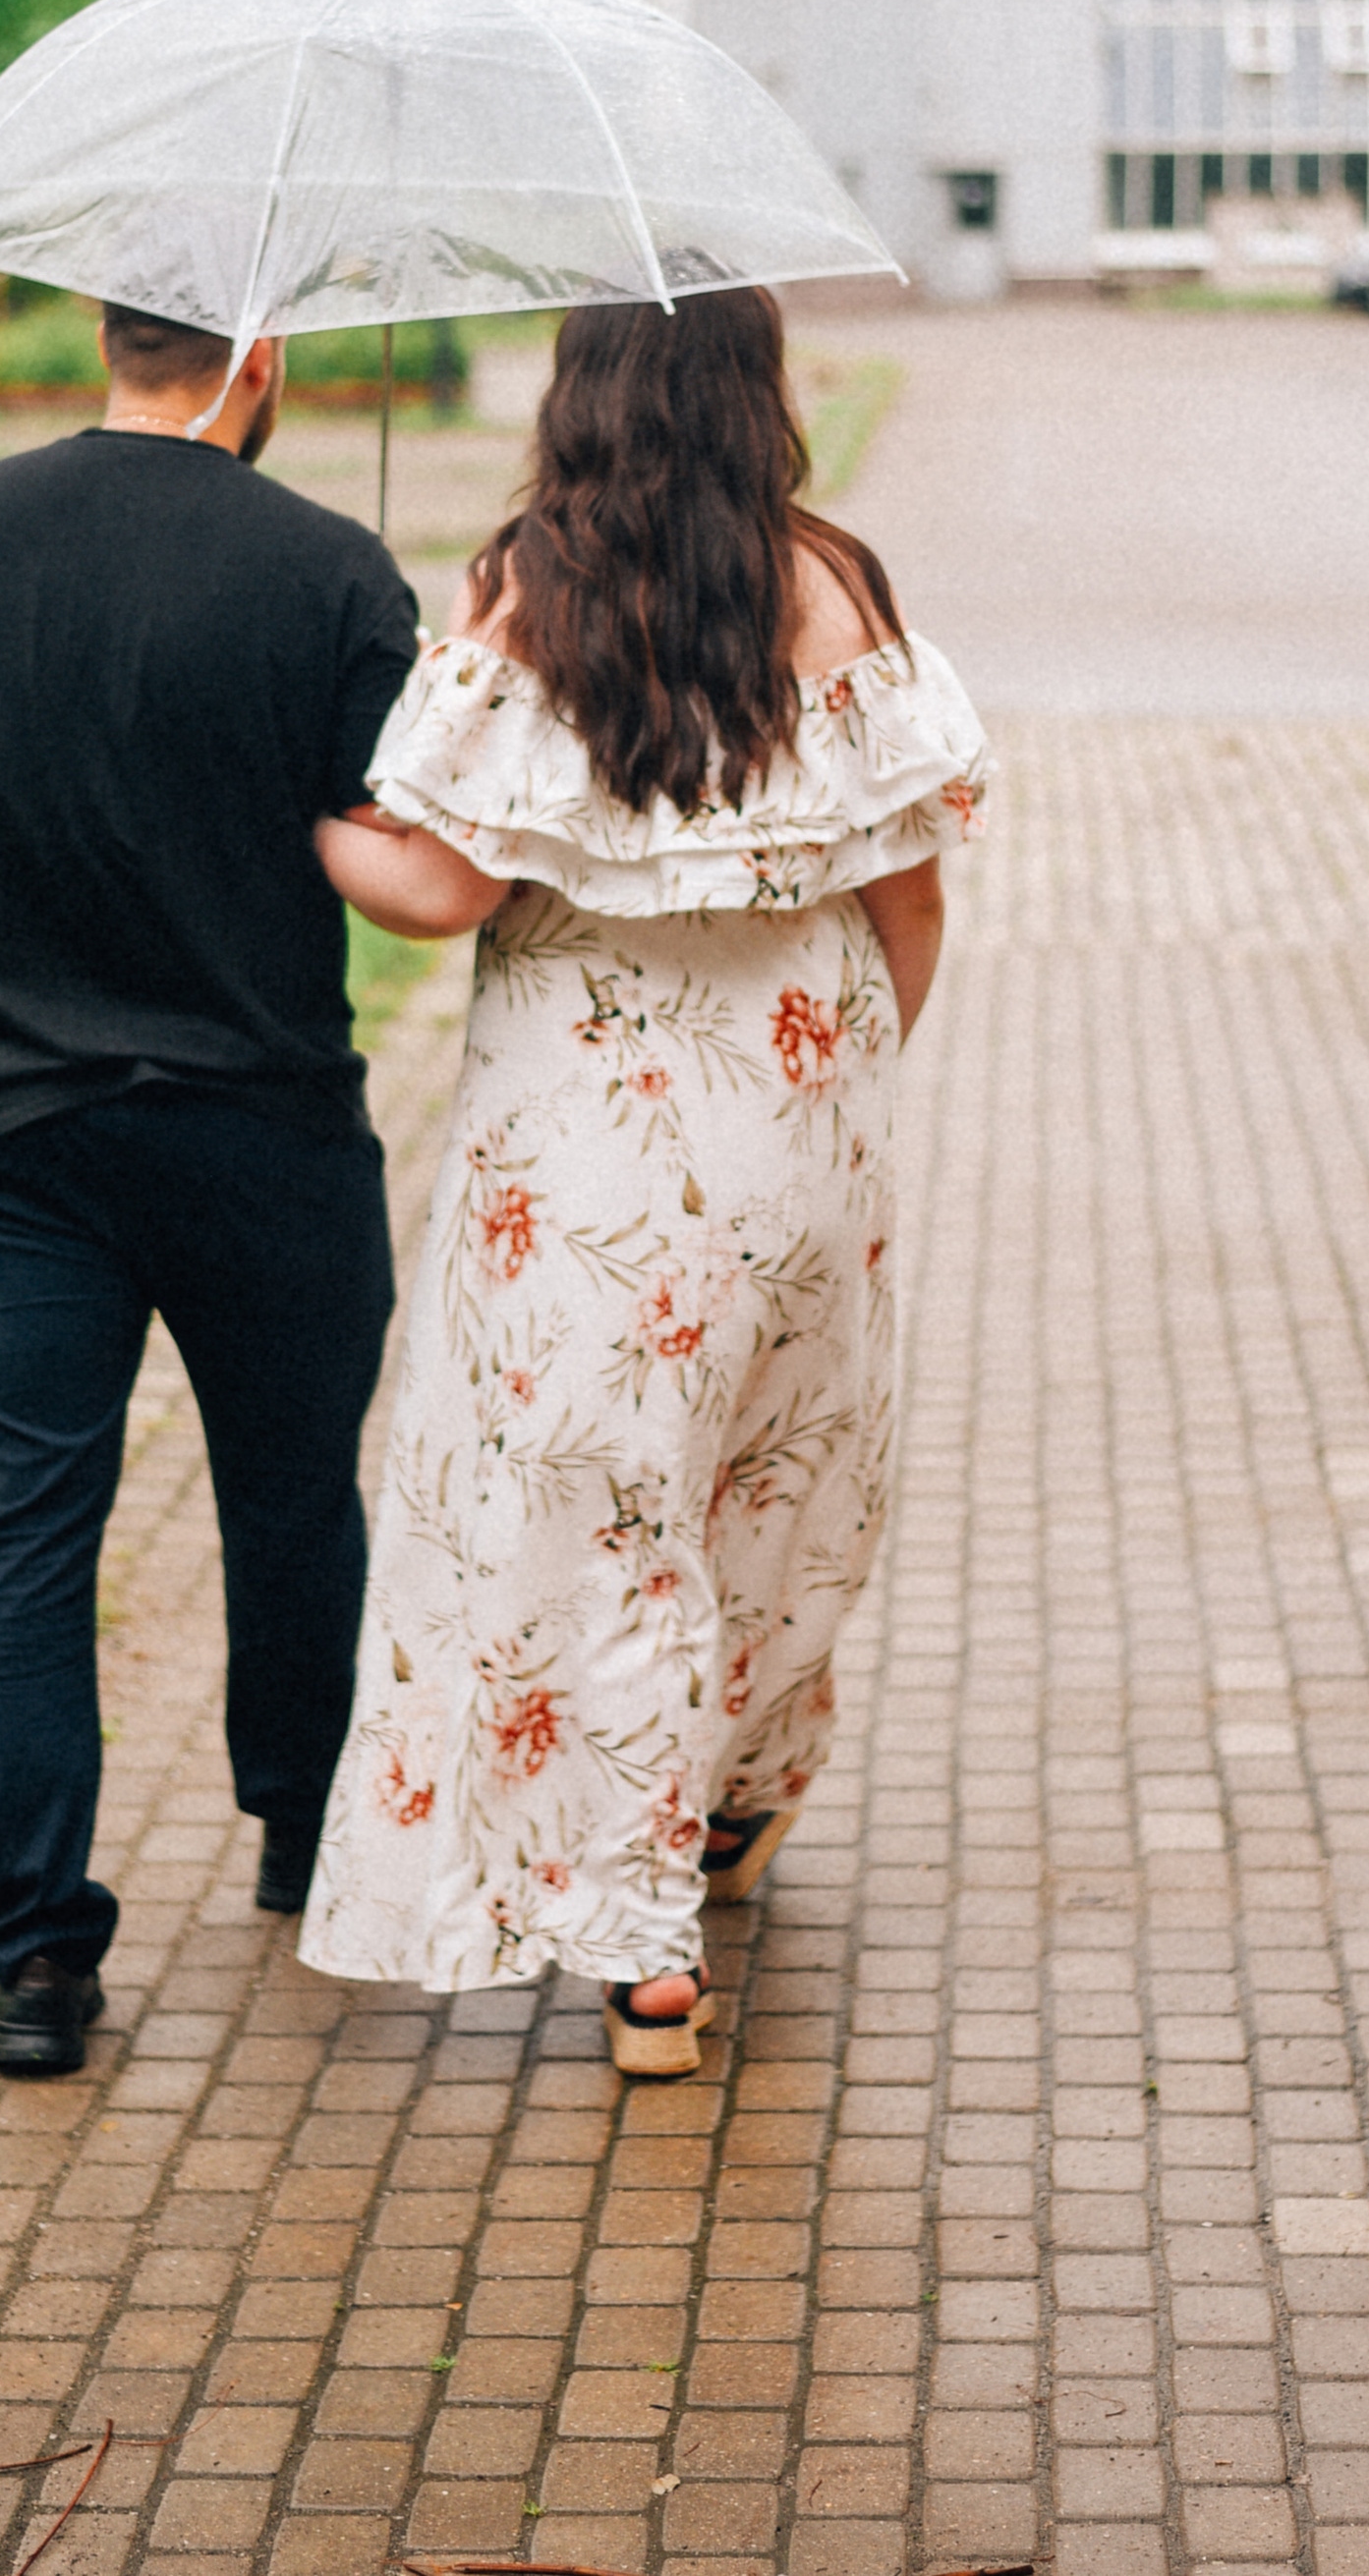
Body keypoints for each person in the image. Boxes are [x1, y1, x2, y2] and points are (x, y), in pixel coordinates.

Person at [296, 290, 988, 2073]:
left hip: (589, 1151)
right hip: (803, 1124)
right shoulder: (836, 584)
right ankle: (730, 1796)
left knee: (598, 1516)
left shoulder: (529, 588)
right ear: (756, 389)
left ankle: (641, 1943)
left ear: (583, 392)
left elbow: (440, 889)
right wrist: (842, 1092)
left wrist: (318, 822)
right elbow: (911, 892)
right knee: (776, 1481)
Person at [0, 305, 420, 2074]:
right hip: (267, 1133)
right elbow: (395, 842)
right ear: (261, 352)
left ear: (106, 326)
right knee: (293, 1498)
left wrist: (9, 826)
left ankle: (35, 1960)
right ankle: (302, 1833)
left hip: (21, 1142)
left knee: (26, 1526)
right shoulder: (333, 567)